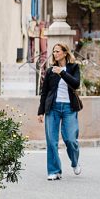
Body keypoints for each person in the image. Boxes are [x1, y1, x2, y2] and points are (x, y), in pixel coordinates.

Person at [37, 43, 83, 181]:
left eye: (57, 51)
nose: (55, 54)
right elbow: (44, 92)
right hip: (53, 107)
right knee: (51, 140)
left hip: (69, 107)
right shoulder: (50, 71)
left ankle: (75, 162)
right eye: (54, 52)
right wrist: (40, 112)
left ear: (64, 53)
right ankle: (54, 171)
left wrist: (62, 72)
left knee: (70, 139)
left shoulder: (73, 67)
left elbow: (76, 84)